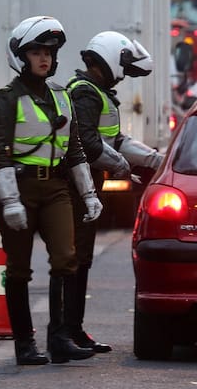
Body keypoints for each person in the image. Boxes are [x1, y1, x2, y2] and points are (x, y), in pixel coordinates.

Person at [0, 15, 103, 365]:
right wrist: (8, 200)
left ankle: (59, 339)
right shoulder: (7, 99)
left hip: (55, 188)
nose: (45, 58)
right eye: (36, 51)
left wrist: (89, 194)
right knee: (19, 268)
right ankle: (24, 344)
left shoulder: (63, 96)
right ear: (21, 56)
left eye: (50, 52)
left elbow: (76, 150)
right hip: (19, 187)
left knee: (67, 259)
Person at [66, 31, 164, 352]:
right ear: (108, 58)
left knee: (82, 258)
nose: (123, 73)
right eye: (121, 64)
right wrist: (123, 166)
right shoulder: (85, 94)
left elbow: (115, 139)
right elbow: (89, 144)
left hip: (89, 184)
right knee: (74, 259)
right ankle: (68, 332)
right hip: (77, 187)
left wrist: (154, 160)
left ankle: (74, 331)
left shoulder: (97, 92)